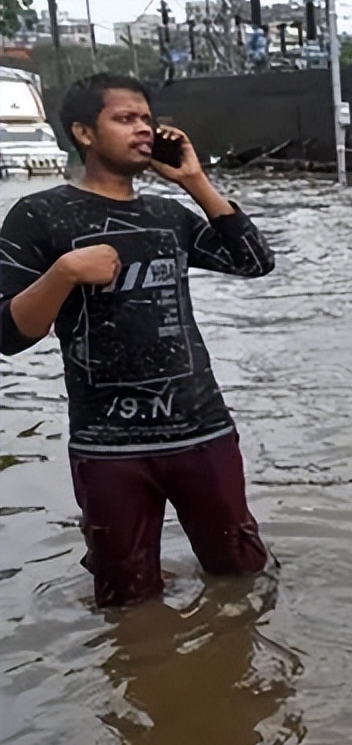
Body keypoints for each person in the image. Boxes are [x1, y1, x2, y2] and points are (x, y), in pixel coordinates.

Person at [0, 73, 275, 608]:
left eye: (147, 119)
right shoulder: (39, 216)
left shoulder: (167, 215)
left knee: (242, 575)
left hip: (201, 430)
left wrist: (194, 181)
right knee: (125, 598)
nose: (144, 129)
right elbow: (6, 335)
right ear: (83, 131)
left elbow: (255, 262)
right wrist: (63, 273)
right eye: (125, 119)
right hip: (108, 446)